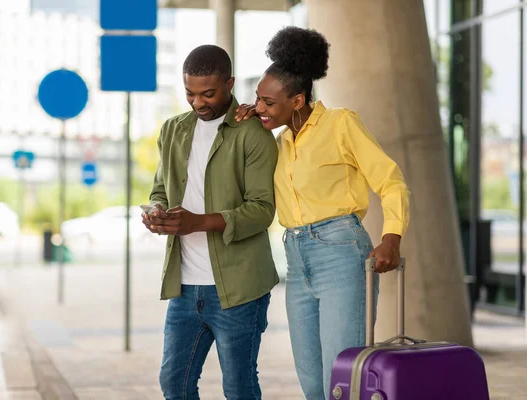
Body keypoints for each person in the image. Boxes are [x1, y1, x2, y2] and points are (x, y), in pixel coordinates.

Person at [235, 27, 410, 399]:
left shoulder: (340, 123)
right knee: (313, 382)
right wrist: (248, 126)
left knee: (342, 379)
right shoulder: (278, 141)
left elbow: (390, 180)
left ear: (297, 100)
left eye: (268, 101)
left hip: (341, 252)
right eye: (257, 99)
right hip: (296, 260)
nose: (260, 107)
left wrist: (391, 237)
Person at [141, 44, 280, 400]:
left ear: (230, 84)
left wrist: (197, 222)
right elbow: (160, 188)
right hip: (184, 287)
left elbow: (263, 209)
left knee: (238, 387)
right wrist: (156, 211)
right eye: (190, 93)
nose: (198, 102)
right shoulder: (173, 130)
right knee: (175, 383)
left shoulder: (253, 133)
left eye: (208, 93)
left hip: (238, 288)